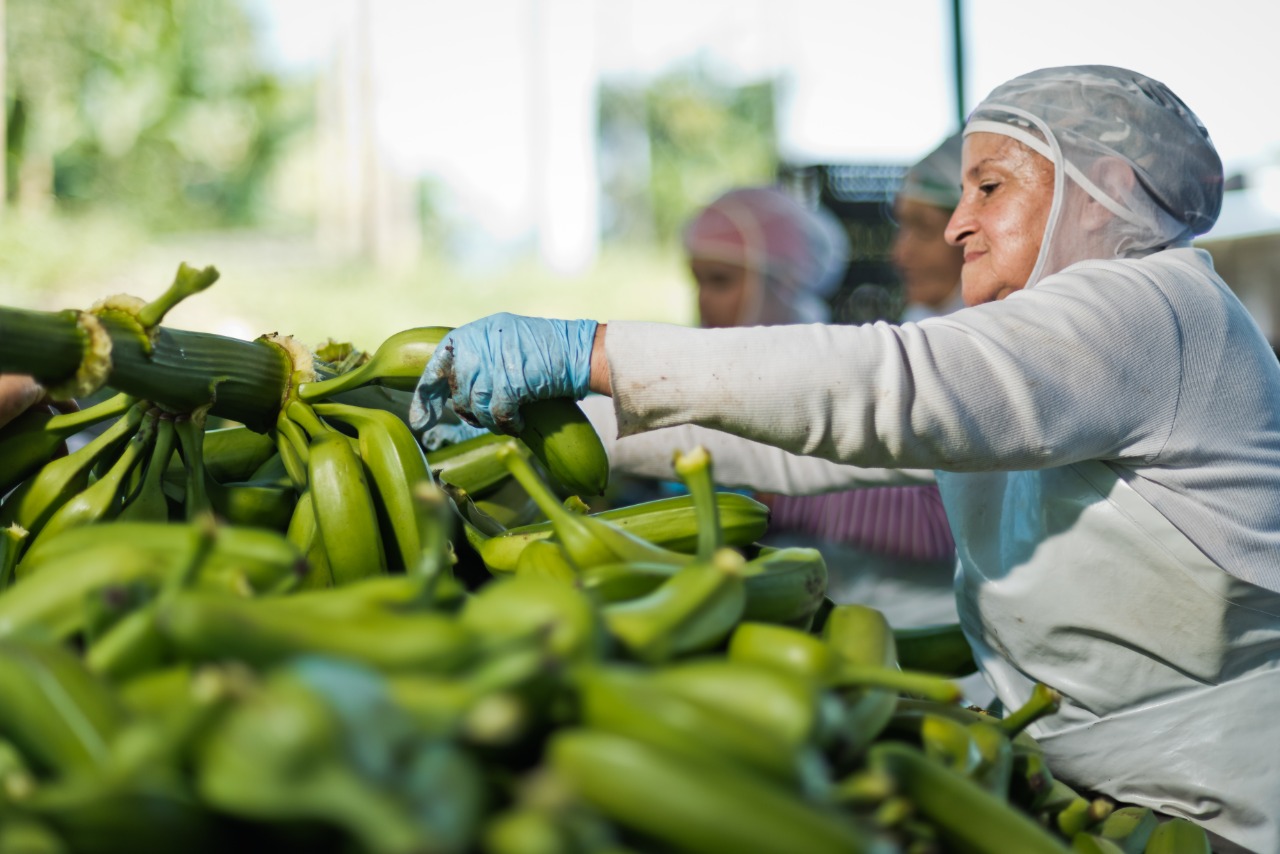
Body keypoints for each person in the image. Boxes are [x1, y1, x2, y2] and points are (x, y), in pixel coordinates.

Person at [412, 65, 1279, 851]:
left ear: (1105, 192)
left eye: (989, 187)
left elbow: (885, 385)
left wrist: (593, 350)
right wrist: (548, 424)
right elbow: (795, 442)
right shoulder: (1047, 354)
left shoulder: (1159, 308)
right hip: (1100, 774)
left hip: (1218, 804)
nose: (957, 227)